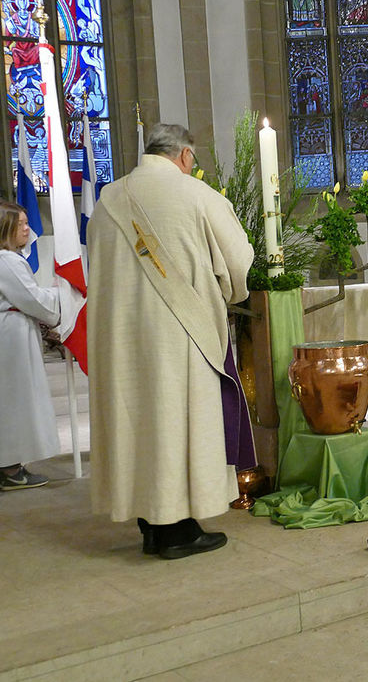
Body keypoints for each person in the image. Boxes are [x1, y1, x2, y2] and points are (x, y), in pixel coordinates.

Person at [87, 123, 255, 559]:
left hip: (122, 336)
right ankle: (177, 530)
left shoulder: (107, 202)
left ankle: (151, 524)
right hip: (183, 331)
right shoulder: (199, 196)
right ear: (183, 155)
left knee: (140, 424)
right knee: (178, 422)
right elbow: (239, 262)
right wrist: (230, 294)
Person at [0, 201, 60, 490]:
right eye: (22, 224)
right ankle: (10, 469)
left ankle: (9, 464)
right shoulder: (7, 260)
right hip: (11, 337)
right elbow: (32, 299)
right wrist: (63, 299)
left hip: (12, 332)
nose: (28, 229)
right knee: (15, 401)